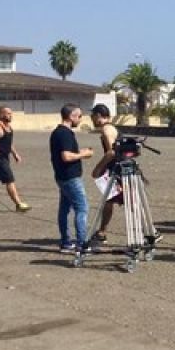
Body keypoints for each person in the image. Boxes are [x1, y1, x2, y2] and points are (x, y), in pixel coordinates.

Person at [49, 103, 94, 254]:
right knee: (82, 208)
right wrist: (84, 154)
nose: (81, 119)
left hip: (62, 176)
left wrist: (80, 151)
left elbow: (66, 152)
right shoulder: (64, 133)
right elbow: (66, 156)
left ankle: (66, 242)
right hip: (70, 177)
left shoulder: (58, 132)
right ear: (71, 116)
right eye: (79, 116)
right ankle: (82, 243)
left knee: (64, 209)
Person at [89, 103, 121, 243]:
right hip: (116, 168)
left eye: (92, 116)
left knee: (118, 200)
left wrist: (98, 168)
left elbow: (112, 152)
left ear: (98, 116)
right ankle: (102, 231)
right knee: (109, 200)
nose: (91, 119)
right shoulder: (110, 128)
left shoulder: (106, 130)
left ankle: (150, 232)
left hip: (116, 170)